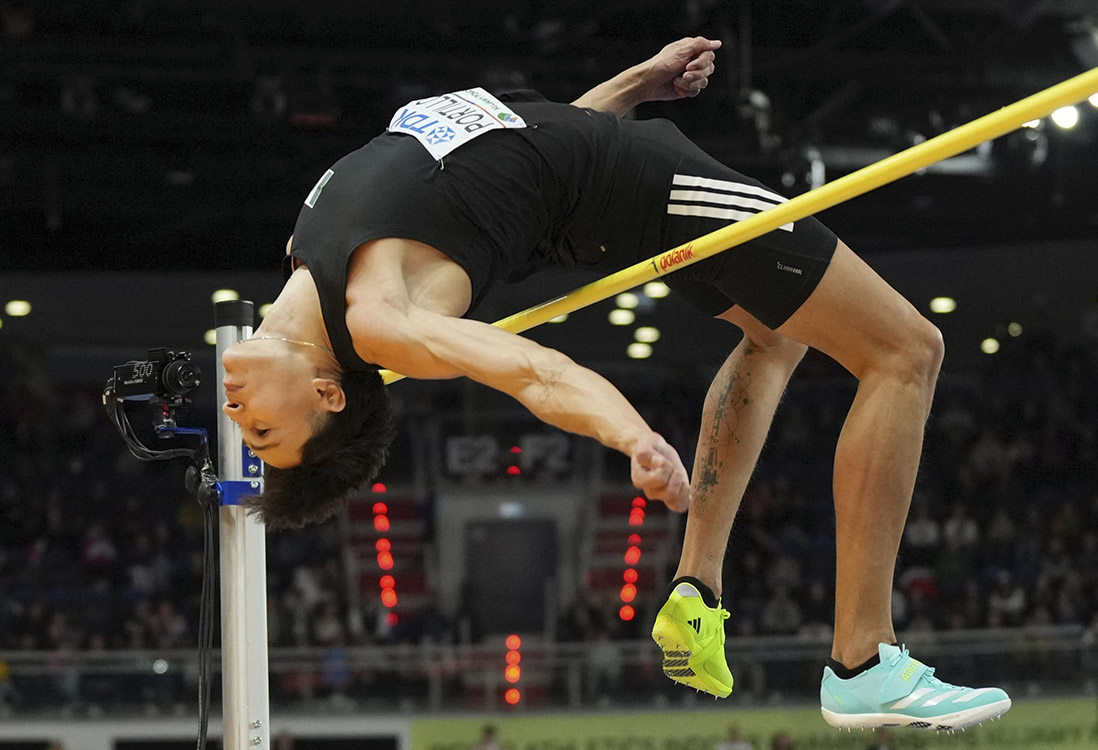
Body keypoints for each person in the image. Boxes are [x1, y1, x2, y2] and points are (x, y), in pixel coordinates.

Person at [219, 36, 1010, 730]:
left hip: (591, 192)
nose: (235, 413)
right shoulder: (380, 318)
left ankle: (697, 586)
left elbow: (521, 145)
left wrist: (635, 85)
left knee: (774, 336)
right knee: (906, 350)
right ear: (329, 395)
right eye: (262, 434)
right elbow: (535, 371)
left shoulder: (304, 251)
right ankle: (864, 660)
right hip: (649, 186)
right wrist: (631, 436)